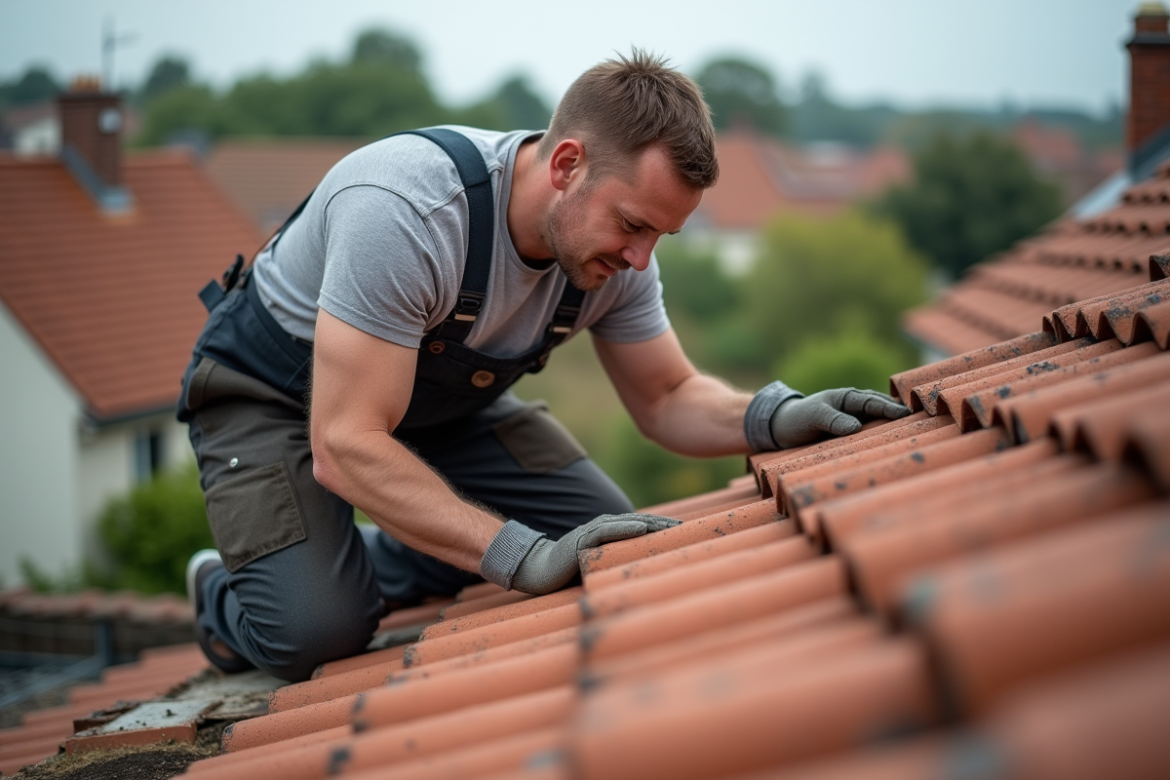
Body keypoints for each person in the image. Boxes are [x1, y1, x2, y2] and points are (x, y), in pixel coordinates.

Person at [179, 50, 908, 682]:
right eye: (633, 225)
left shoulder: (611, 257)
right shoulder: (407, 211)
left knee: (613, 539)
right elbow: (346, 444)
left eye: (662, 235)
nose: (640, 259)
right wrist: (518, 554)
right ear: (567, 166)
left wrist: (775, 418)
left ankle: (375, 552)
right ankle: (224, 588)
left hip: (439, 413)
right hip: (278, 398)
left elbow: (668, 396)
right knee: (319, 634)